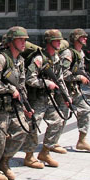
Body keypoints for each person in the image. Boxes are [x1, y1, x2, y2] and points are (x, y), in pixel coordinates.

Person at [0, 26, 32, 180]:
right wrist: (9, 89)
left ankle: (4, 161)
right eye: (20, 40)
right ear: (11, 42)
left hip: (14, 106)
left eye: (25, 40)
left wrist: (26, 105)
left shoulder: (20, 60)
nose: (24, 43)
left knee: (22, 131)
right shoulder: (1, 59)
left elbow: (22, 85)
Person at [22, 30, 70, 168]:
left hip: (50, 98)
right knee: (33, 126)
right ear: (49, 42)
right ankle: (29, 156)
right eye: (56, 40)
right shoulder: (39, 58)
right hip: (37, 98)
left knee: (57, 121)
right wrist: (46, 83)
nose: (59, 43)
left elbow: (60, 79)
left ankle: (45, 151)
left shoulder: (56, 59)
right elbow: (29, 79)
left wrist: (66, 96)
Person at [59, 28, 90, 152]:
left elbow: (82, 71)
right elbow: (63, 74)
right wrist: (79, 77)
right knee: (62, 117)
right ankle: (52, 143)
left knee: (85, 111)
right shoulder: (68, 54)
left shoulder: (81, 54)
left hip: (75, 90)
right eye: (83, 37)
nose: (85, 38)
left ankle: (82, 141)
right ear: (76, 39)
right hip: (65, 91)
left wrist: (89, 82)